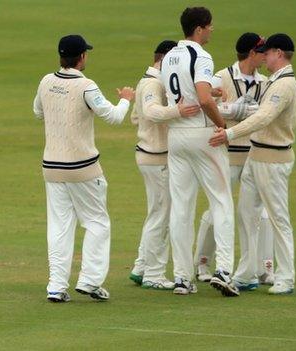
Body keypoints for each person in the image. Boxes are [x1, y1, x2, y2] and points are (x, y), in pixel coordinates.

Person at [33, 34, 135, 302]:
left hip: (52, 167)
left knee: (59, 226)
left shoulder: (46, 81)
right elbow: (113, 117)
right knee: (97, 222)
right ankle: (89, 281)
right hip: (83, 168)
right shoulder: (86, 86)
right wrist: (126, 98)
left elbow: (38, 112)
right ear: (81, 57)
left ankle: (56, 286)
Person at [209, 33, 296, 295]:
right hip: (256, 155)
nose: (264, 57)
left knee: (277, 218)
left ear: (279, 53)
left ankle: (286, 277)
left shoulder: (284, 85)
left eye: (267, 52)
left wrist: (229, 133)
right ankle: (246, 273)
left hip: (273, 158)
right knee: (246, 214)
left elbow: (263, 118)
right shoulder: (275, 80)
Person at [160, 7, 238, 297]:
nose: (212, 30)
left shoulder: (169, 56)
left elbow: (184, 91)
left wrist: (209, 93)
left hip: (176, 136)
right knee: (221, 202)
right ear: (200, 29)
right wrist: (223, 127)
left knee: (181, 207)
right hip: (203, 135)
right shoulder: (201, 56)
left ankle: (181, 278)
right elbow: (203, 98)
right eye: (210, 26)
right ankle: (224, 271)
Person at [193, 32, 276, 288]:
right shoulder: (221, 76)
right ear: (252, 53)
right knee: (219, 208)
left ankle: (263, 268)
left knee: (260, 213)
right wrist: (231, 110)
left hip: (253, 153)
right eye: (262, 51)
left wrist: (251, 112)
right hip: (225, 154)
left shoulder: (265, 82)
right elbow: (203, 105)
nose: (266, 56)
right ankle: (202, 262)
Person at [128, 40, 201, 290]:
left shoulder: (149, 82)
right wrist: (178, 112)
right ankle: (154, 274)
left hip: (152, 154)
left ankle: (141, 266)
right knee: (161, 215)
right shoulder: (153, 82)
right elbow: (149, 113)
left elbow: (136, 117)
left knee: (157, 212)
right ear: (166, 59)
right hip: (155, 156)